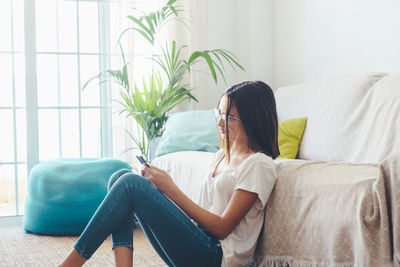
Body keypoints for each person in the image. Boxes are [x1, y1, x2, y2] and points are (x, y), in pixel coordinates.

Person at [59, 80, 280, 267]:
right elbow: (202, 214)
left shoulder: (258, 165)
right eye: (220, 113)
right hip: (201, 239)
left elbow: (222, 228)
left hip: (216, 257)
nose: (220, 123)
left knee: (130, 184)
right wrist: (159, 193)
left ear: (253, 121)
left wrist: (171, 189)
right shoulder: (222, 155)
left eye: (230, 118)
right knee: (119, 177)